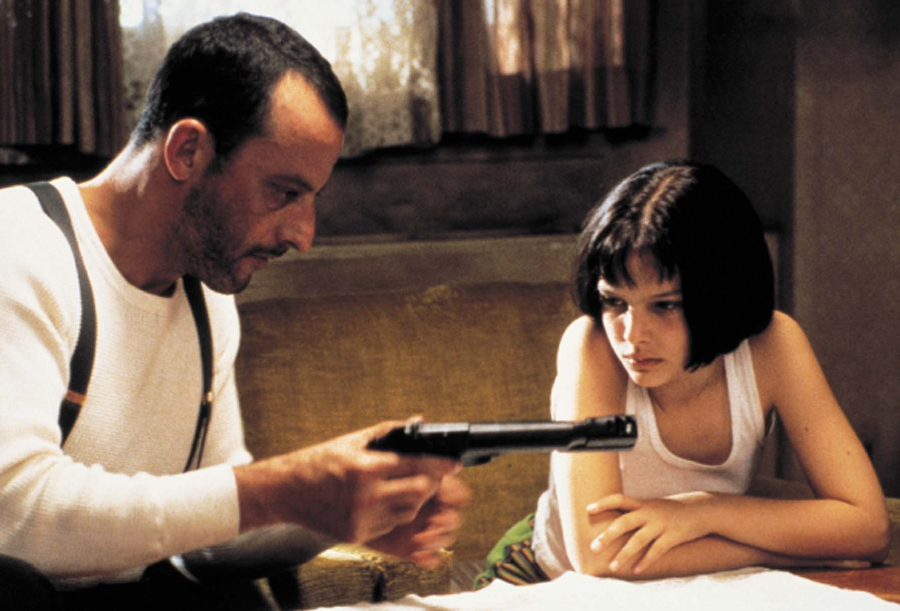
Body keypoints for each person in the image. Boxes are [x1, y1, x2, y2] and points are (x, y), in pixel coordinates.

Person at [0, 12, 468, 609]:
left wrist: (341, 512)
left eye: (311, 199)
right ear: (188, 150)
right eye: (284, 192)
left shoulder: (208, 298)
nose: (303, 236)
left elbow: (205, 536)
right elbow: (13, 515)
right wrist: (279, 487)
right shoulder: (20, 247)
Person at [477, 160, 890, 586]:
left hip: (687, 580)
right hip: (547, 576)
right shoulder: (591, 346)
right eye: (615, 302)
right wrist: (780, 554)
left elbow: (869, 528)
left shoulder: (774, 344)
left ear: (723, 294)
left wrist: (705, 510)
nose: (632, 336)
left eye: (665, 305)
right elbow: (599, 557)